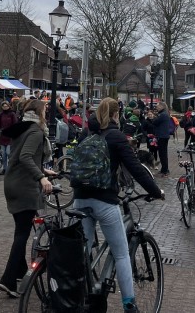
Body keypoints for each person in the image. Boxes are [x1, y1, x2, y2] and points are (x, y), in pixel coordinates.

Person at [73, 98, 164, 313]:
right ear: (116, 115)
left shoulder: (86, 133)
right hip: (104, 201)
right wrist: (155, 191)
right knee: (121, 254)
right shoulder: (116, 136)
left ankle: (77, 295)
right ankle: (129, 305)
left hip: (80, 198)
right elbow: (136, 168)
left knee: (82, 251)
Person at [0, 99, 55, 298]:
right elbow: (25, 157)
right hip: (25, 187)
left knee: (20, 230)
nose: (46, 113)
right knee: (22, 234)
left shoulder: (23, 128)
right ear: (39, 112)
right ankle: (8, 280)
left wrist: (43, 170)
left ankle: (20, 272)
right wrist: (41, 177)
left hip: (12, 183)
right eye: (45, 110)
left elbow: (19, 157)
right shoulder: (36, 132)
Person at [0, 99, 19, 174]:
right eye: (3, 106)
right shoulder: (1, 114)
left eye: (6, 106)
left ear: (9, 106)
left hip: (10, 136)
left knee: (8, 152)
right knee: (3, 154)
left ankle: (11, 167)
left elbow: (15, 124)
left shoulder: (12, 114)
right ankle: (5, 169)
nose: (5, 107)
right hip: (3, 136)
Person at [151, 103, 174, 177]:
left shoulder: (163, 115)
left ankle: (165, 170)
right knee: (163, 154)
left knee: (162, 154)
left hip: (162, 136)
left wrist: (153, 117)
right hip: (164, 136)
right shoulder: (164, 114)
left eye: (158, 106)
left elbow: (155, 122)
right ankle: (164, 169)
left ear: (162, 106)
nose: (156, 107)